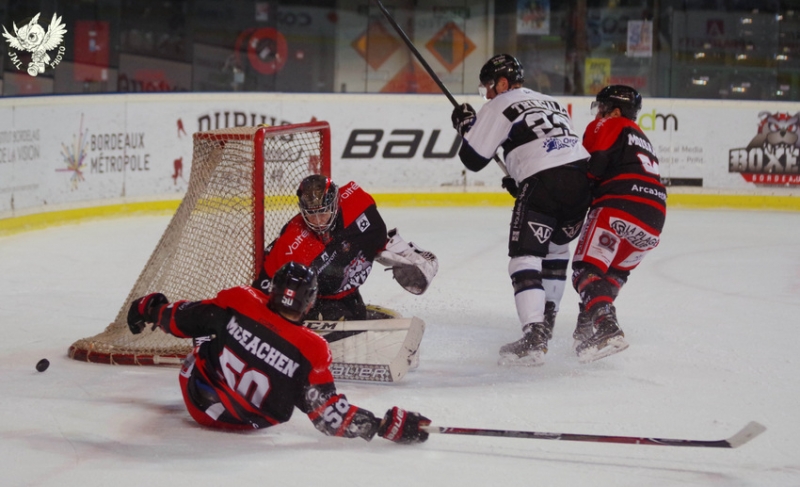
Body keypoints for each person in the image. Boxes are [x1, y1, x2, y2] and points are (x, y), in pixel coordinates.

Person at [126, 261, 431, 442]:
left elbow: (180, 320)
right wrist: (382, 425)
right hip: (249, 423)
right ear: (309, 303)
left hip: (198, 401)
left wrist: (150, 309)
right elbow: (328, 416)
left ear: (272, 290)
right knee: (295, 383)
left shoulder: (241, 299)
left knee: (208, 326)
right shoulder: (313, 349)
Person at [450, 53, 592, 366]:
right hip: (581, 178)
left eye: (488, 86)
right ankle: (547, 318)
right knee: (556, 250)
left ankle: (534, 334)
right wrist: (520, 178)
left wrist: (466, 127)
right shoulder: (549, 101)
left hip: (544, 181)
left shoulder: (500, 103)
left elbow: (473, 159)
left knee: (524, 258)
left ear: (502, 82)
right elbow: (552, 145)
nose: (486, 94)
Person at [253, 175, 438, 322]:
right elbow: (263, 290)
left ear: (335, 204)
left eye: (323, 213)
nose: (318, 222)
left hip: (349, 296)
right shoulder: (291, 245)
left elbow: (376, 236)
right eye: (311, 215)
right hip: (315, 305)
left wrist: (391, 248)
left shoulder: (358, 204)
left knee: (355, 319)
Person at [570, 85, 667, 363]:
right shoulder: (643, 140)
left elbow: (593, 165)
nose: (598, 113)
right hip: (654, 217)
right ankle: (587, 326)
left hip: (619, 205)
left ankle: (607, 327)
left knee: (585, 269)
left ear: (614, 110)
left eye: (602, 107)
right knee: (613, 273)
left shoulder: (609, 123)